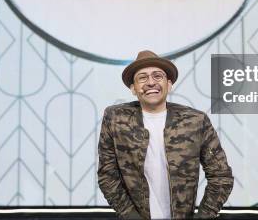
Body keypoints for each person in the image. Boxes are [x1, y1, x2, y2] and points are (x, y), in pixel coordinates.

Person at [98, 50, 234, 219]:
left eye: (157, 76)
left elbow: (221, 176)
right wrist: (130, 216)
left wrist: (204, 216)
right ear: (133, 88)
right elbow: (107, 175)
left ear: (169, 84)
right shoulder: (115, 119)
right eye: (142, 77)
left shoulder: (196, 120)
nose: (150, 83)